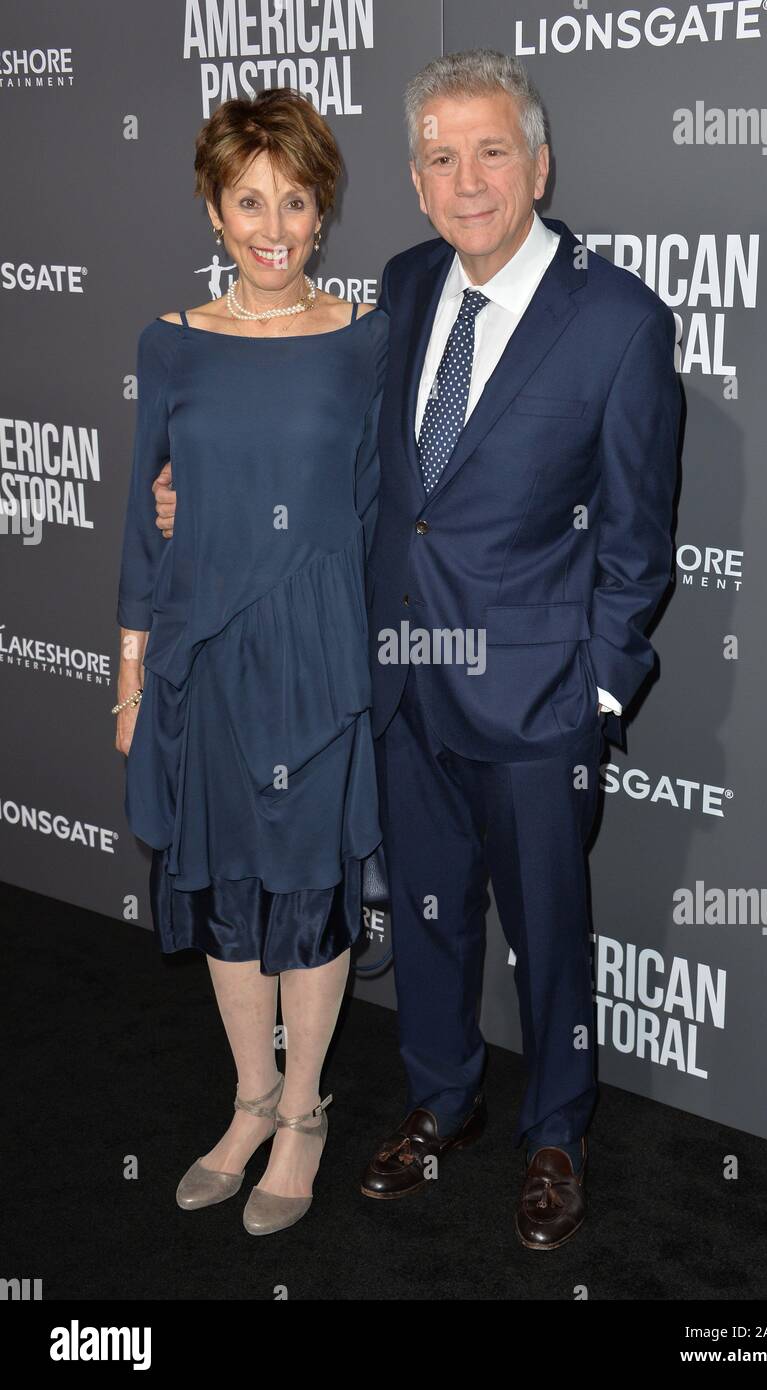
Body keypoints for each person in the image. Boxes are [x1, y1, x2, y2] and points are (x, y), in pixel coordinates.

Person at [152, 50, 681, 1252]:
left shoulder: (618, 321)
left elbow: (638, 542)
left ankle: (555, 1132)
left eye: (491, 150)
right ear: (414, 179)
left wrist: (595, 688)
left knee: (547, 932)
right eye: (439, 157)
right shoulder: (399, 286)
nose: (467, 177)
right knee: (433, 920)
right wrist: (213, 501)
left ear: (538, 163)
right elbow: (347, 468)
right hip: (398, 679)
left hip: (538, 699)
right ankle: (441, 1104)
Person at [114, 88, 387, 1237]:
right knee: (230, 895)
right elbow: (144, 514)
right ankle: (250, 1099)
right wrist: (130, 681)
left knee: (309, 895)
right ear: (215, 212)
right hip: (204, 654)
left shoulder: (366, 340)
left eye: (295, 199)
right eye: (248, 201)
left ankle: (308, 1115)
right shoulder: (169, 344)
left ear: (322, 210)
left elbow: (379, 512)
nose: (273, 225)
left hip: (316, 657)